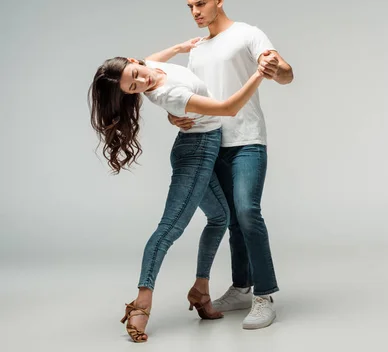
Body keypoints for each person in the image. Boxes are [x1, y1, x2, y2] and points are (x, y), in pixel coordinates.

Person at [88, 38, 266, 342]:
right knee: (169, 228)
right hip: (196, 154)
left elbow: (152, 59)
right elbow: (227, 107)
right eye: (134, 88)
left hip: (201, 148)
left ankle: (200, 290)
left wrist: (178, 48)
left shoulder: (149, 66)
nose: (142, 81)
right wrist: (260, 73)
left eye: (135, 74)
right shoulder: (170, 94)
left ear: (134, 61)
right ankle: (141, 303)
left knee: (220, 218)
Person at [166, 0, 294, 330]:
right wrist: (179, 115)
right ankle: (241, 288)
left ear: (218, 0)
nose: (195, 11)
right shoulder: (198, 49)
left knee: (247, 212)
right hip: (210, 145)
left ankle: (264, 294)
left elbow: (286, 73)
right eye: (190, 6)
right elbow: (196, 96)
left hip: (248, 140)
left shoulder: (248, 34)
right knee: (233, 221)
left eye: (201, 4)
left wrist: (276, 68)